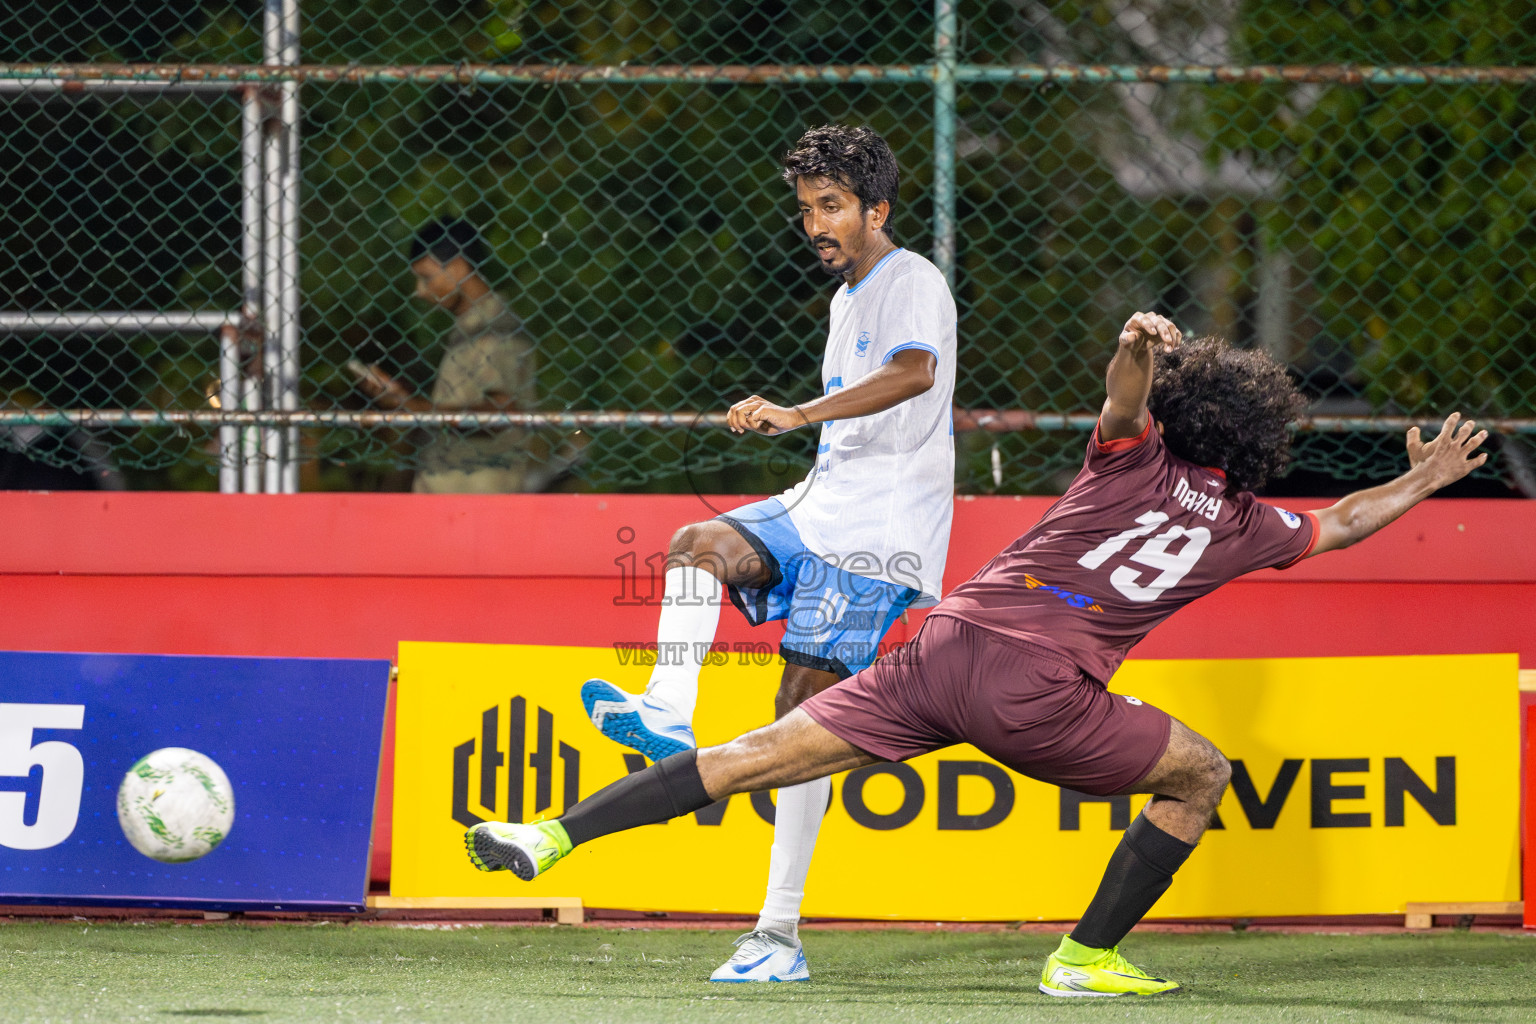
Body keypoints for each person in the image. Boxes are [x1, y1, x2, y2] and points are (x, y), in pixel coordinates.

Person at [463, 310, 1489, 998]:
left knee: (750, 756)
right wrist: (1428, 480)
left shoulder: (1129, 457)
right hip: (1041, 690)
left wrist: (1138, 342)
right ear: (1258, 436)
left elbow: (1122, 401)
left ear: (1184, 410)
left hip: (942, 644)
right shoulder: (1247, 524)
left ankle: (550, 835)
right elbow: (1346, 522)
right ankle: (1086, 958)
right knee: (1203, 773)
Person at [574, 124, 958, 982]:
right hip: (822, 505)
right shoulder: (844, 297)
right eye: (806, 210)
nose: (817, 224)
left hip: (881, 536)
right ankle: (668, 710)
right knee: (695, 545)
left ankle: (778, 935)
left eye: (833, 207)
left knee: (802, 720)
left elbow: (915, 373)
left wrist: (796, 414)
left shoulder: (912, 281)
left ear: (876, 209)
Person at [353, 217, 574, 493]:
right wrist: (404, 402)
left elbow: (501, 412)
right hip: (451, 500)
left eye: (426, 277)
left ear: (457, 267)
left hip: (476, 502)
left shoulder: (495, 329)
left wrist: (414, 407)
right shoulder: (468, 329)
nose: (419, 292)